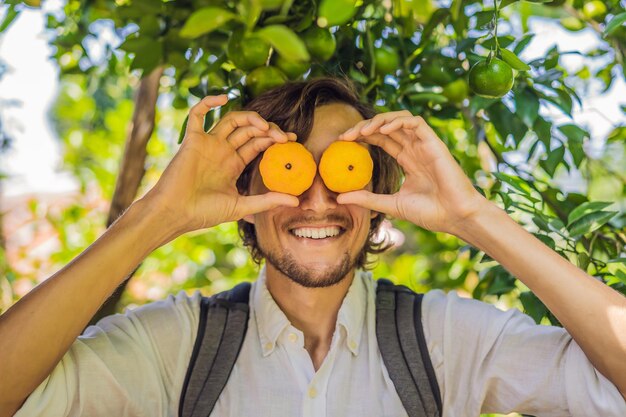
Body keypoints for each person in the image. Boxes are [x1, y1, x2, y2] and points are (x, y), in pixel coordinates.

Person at [0, 77, 625, 417]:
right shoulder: (180, 347)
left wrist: (474, 218)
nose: (318, 199)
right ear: (245, 197)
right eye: (291, 170)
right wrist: (155, 218)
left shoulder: (443, 339)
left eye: (347, 169)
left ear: (377, 192)